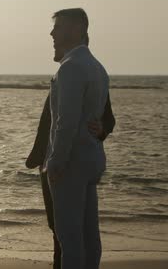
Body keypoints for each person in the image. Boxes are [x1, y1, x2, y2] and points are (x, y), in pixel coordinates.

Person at [42, 8, 110, 269]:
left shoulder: (70, 68)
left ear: (76, 29)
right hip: (91, 158)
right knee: (89, 235)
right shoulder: (97, 67)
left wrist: (56, 162)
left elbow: (66, 121)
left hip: (71, 161)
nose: (52, 33)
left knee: (69, 237)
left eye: (57, 27)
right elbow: (95, 116)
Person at [25, 90, 114, 269]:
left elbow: (108, 119)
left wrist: (102, 128)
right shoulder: (63, 77)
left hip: (69, 165)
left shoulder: (81, 76)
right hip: (47, 162)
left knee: (68, 230)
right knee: (56, 226)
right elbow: (48, 124)